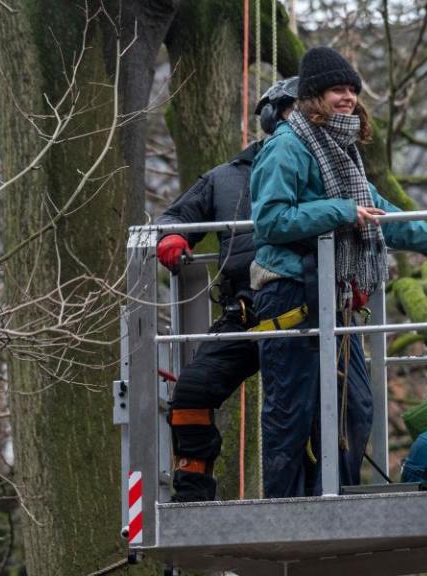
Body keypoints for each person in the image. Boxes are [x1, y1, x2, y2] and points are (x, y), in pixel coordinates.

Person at [249, 47, 427, 498]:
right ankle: (285, 513)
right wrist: (339, 211)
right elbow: (270, 221)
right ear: (312, 96)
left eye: (352, 90)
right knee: (292, 413)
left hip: (334, 299)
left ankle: (334, 502)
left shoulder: (343, 156)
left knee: (354, 409)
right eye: (337, 89)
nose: (347, 98)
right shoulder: (288, 146)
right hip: (289, 295)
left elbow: (383, 215)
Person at [155, 77, 298, 502]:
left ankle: (305, 495)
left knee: (298, 410)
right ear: (273, 118)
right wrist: (171, 238)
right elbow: (175, 216)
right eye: (291, 113)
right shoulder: (225, 179)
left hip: (304, 312)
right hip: (245, 312)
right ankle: (193, 490)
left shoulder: (322, 170)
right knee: (191, 394)